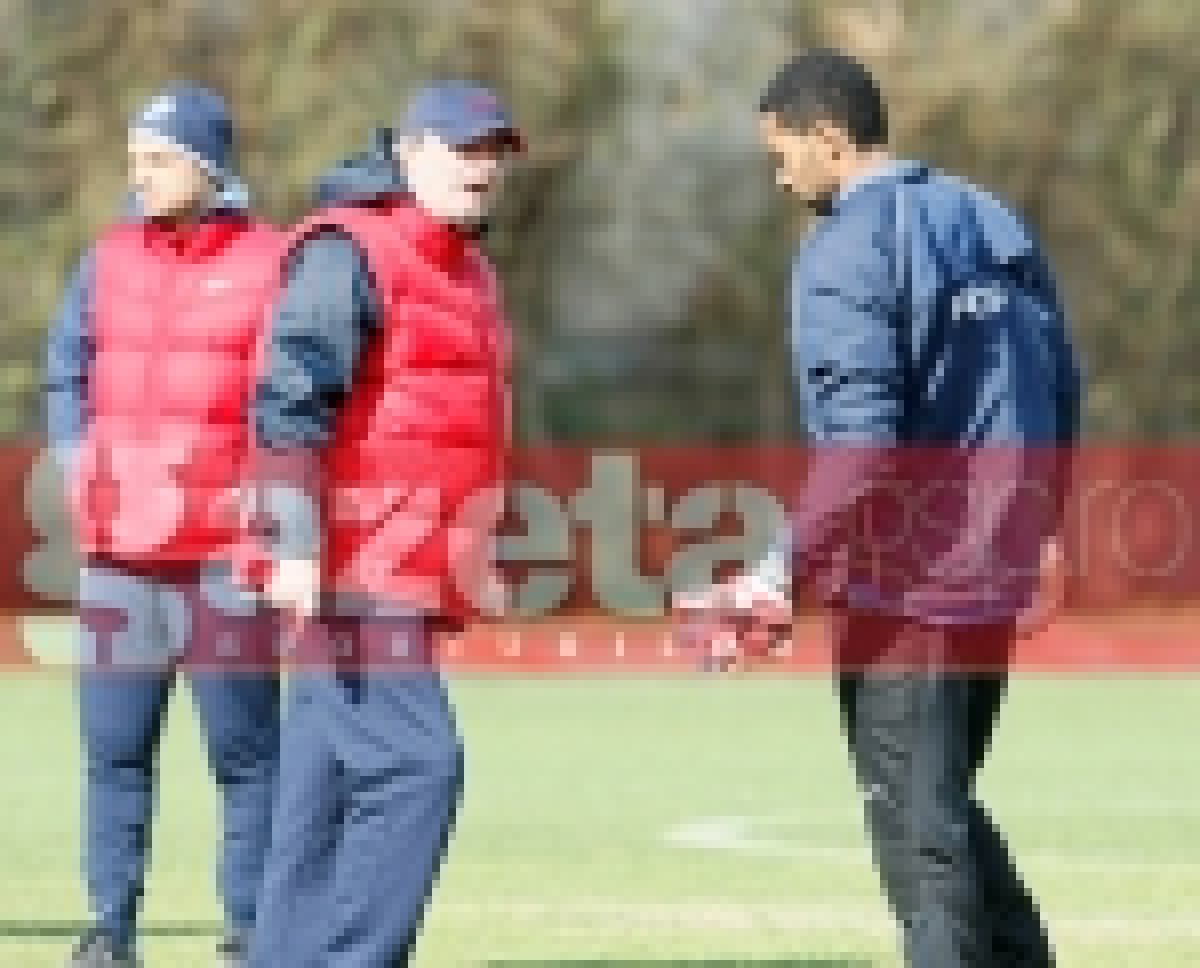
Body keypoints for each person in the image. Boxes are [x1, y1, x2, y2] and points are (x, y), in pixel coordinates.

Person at [678, 49, 1081, 966]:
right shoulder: (993, 220)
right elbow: (1059, 382)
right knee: (941, 806)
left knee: (917, 833)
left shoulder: (846, 249)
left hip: (906, 587)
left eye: (781, 152)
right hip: (992, 569)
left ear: (829, 137)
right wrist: (1044, 523)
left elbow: (862, 441)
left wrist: (778, 572)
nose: (778, 175)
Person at [246, 81, 521, 967]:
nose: (481, 167)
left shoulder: (470, 270)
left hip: (406, 565)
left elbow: (456, 427)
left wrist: (483, 547)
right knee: (418, 768)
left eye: (494, 152)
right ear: (407, 154)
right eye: (462, 147)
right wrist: (290, 540)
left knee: (321, 798)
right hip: (352, 563)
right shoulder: (349, 250)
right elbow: (289, 395)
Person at [45, 83, 283, 967]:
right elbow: (63, 370)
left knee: (247, 757)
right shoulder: (106, 258)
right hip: (117, 558)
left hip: (225, 558)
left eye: (156, 159)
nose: (136, 176)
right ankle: (110, 929)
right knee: (112, 753)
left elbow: (290, 399)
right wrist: (80, 468)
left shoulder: (274, 260)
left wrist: (265, 507)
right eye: (133, 158)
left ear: (206, 165)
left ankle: (252, 930)